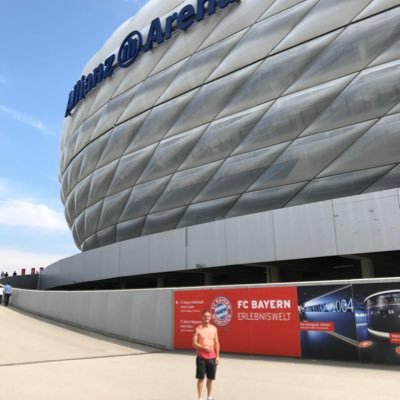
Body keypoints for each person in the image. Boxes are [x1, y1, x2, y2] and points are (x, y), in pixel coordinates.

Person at [192, 310, 220, 400]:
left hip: (212, 358)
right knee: (201, 379)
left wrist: (218, 356)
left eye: (208, 316)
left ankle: (209, 396)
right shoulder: (198, 329)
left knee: (210, 379)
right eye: (205, 316)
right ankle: (200, 398)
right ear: (202, 317)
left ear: (210, 317)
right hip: (201, 358)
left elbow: (217, 343)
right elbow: (194, 343)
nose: (206, 318)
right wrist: (203, 347)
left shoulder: (214, 329)